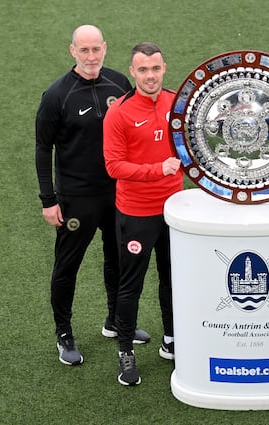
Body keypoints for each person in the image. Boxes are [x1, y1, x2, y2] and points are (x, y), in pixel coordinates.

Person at [35, 24, 151, 367]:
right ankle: (64, 333)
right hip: (76, 197)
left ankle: (115, 321)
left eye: (95, 49)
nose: (90, 57)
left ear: (105, 48)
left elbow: (135, 132)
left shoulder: (120, 84)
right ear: (72, 51)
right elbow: (43, 149)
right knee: (67, 266)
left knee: (118, 259)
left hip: (119, 192)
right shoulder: (57, 95)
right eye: (83, 50)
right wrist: (48, 199)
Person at [103, 42, 183, 386]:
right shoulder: (119, 112)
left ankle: (171, 340)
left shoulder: (178, 102)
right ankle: (125, 351)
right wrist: (158, 169)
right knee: (130, 285)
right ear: (132, 72)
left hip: (175, 210)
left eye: (156, 69)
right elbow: (113, 165)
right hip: (137, 212)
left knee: (173, 278)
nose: (150, 76)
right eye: (143, 70)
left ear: (164, 69)